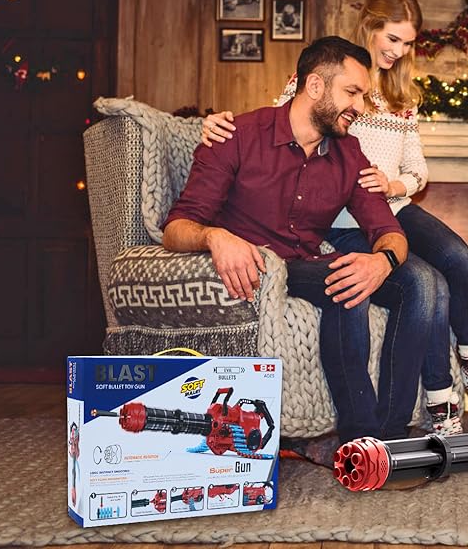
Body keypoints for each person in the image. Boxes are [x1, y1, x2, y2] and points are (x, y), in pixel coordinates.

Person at [201, 0, 468, 434]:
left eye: (407, 43)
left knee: (451, 258)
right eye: (392, 38)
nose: (398, 50)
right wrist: (221, 122)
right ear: (370, 29)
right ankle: (409, 414)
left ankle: (456, 379)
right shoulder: (301, 101)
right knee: (415, 279)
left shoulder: (390, 107)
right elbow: (280, 122)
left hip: (384, 203)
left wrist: (392, 196)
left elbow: (412, 178)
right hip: (336, 224)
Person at [163, 35, 440, 445]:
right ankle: (361, 438)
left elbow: (389, 232)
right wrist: (214, 237)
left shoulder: (350, 154)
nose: (359, 108)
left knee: (416, 281)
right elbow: (176, 228)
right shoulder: (238, 135)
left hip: (304, 263)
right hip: (257, 266)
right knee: (347, 286)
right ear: (314, 86)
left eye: (362, 96)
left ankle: (391, 433)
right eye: (351, 92)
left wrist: (381, 261)